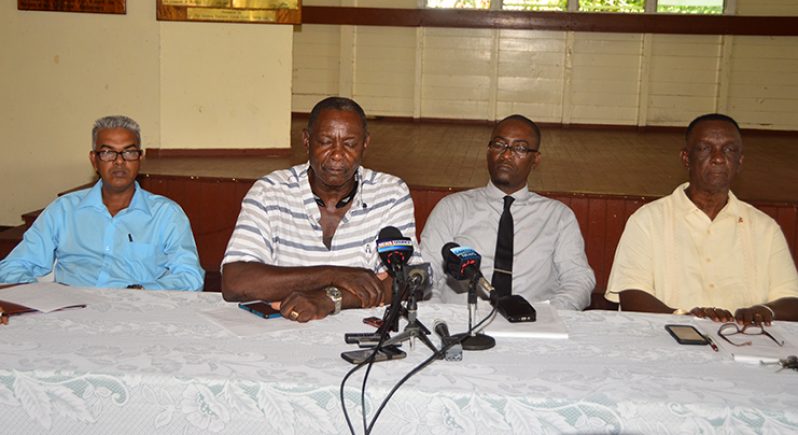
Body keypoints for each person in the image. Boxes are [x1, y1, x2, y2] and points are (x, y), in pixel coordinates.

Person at [221, 97, 421, 322]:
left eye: (350, 143)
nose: (337, 154)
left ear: (365, 143)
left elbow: (410, 279)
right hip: (281, 332)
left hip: (361, 332)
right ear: (306, 141)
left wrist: (330, 298)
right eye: (325, 141)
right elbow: (235, 282)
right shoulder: (270, 192)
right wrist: (333, 274)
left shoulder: (390, 193)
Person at [605, 113, 798, 324]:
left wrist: (763, 311)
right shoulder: (647, 220)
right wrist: (685, 320)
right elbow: (632, 294)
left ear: (739, 162)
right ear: (686, 158)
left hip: (745, 343)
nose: (718, 158)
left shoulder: (764, 228)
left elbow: (791, 299)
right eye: (705, 148)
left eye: (729, 150)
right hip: (671, 341)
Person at [0, 116, 204, 293]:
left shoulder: (166, 214)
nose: (119, 162)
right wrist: (40, 294)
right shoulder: (64, 210)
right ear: (94, 160)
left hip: (135, 312)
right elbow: (14, 266)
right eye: (108, 153)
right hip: (71, 310)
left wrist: (142, 292)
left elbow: (190, 277)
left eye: (129, 152)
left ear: (140, 159)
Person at [421, 115, 595, 310]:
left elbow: (578, 278)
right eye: (499, 145)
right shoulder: (452, 208)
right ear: (488, 151)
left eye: (520, 148)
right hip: (462, 324)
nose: (506, 155)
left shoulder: (558, 216)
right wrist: (439, 319)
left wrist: (549, 316)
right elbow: (426, 274)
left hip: (533, 325)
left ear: (535, 159)